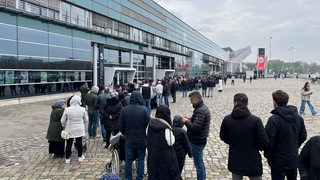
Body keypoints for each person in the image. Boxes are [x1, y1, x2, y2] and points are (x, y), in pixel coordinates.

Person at [220, 93, 269, 180]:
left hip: (235, 158)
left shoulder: (227, 119)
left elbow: (223, 136)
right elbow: (263, 142)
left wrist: (233, 142)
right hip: (252, 159)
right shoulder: (255, 121)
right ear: (247, 103)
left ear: (234, 102)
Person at [264, 90, 307, 180]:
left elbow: (268, 141)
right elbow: (303, 136)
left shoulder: (273, 119)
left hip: (277, 160)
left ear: (275, 102)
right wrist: (294, 146)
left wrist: (268, 156)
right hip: (293, 158)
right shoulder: (299, 118)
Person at [119, 91, 150, 180]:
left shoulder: (124, 110)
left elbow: (121, 126)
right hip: (141, 140)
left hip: (129, 140)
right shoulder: (144, 110)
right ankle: (139, 178)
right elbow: (149, 125)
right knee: (141, 160)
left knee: (128, 160)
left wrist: (126, 133)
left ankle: (128, 178)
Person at [181, 91, 211, 180]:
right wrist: (190, 119)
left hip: (197, 141)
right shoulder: (202, 108)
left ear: (196, 99)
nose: (191, 102)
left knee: (198, 164)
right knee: (200, 163)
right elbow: (198, 123)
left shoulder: (200, 111)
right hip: (200, 139)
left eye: (191, 100)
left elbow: (195, 128)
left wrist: (185, 121)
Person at [147, 105, 182, 180]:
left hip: (152, 156)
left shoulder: (150, 125)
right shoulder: (166, 129)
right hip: (164, 160)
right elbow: (171, 142)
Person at [61, 95, 88, 164]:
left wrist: (63, 126)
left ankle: (67, 158)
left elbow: (63, 120)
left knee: (69, 144)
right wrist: (83, 125)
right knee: (79, 143)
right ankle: (79, 157)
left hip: (70, 128)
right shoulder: (82, 109)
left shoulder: (67, 109)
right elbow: (86, 119)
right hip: (79, 129)